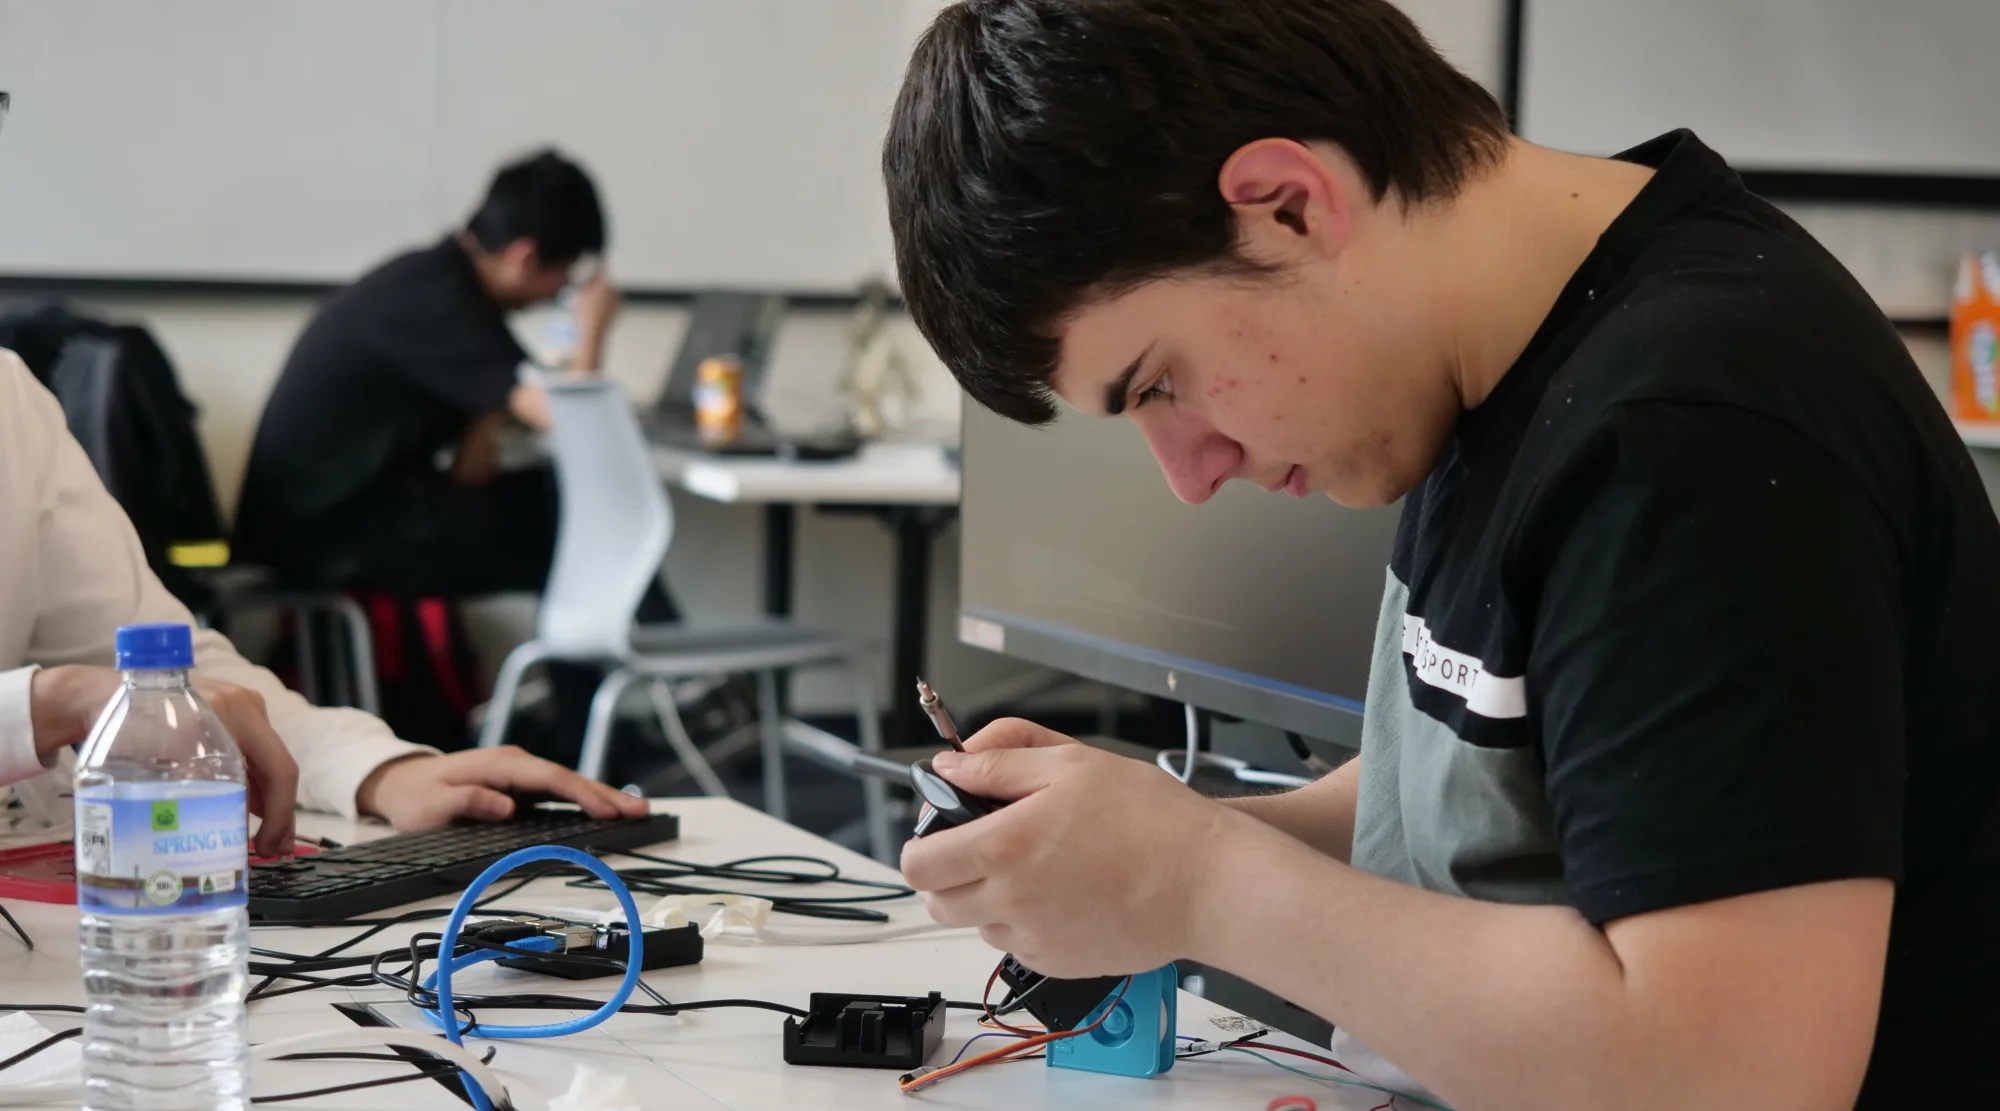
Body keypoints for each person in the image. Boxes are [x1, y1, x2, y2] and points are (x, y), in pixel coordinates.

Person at [883, 2, 2000, 1108]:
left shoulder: (1688, 431)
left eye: (1160, 382)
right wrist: (1128, 845)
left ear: (1286, 205)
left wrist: (1194, 878)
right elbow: (1509, 771)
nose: (1188, 472)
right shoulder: (1487, 361)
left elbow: (1726, 1074)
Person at [0, 349, 648, 858]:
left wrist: (379, 769)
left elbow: (167, 666)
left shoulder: (10, 396)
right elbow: (87, 691)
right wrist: (43, 705)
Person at [233, 147, 627, 602]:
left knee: (559, 510)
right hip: (323, 534)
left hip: (325, 519)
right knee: (589, 523)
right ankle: (659, 665)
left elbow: (471, 472)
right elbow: (576, 421)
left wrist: (493, 410)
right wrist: (594, 327)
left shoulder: (435, 282)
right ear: (523, 257)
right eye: (566, 274)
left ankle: (643, 669)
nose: (564, 292)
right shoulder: (445, 304)